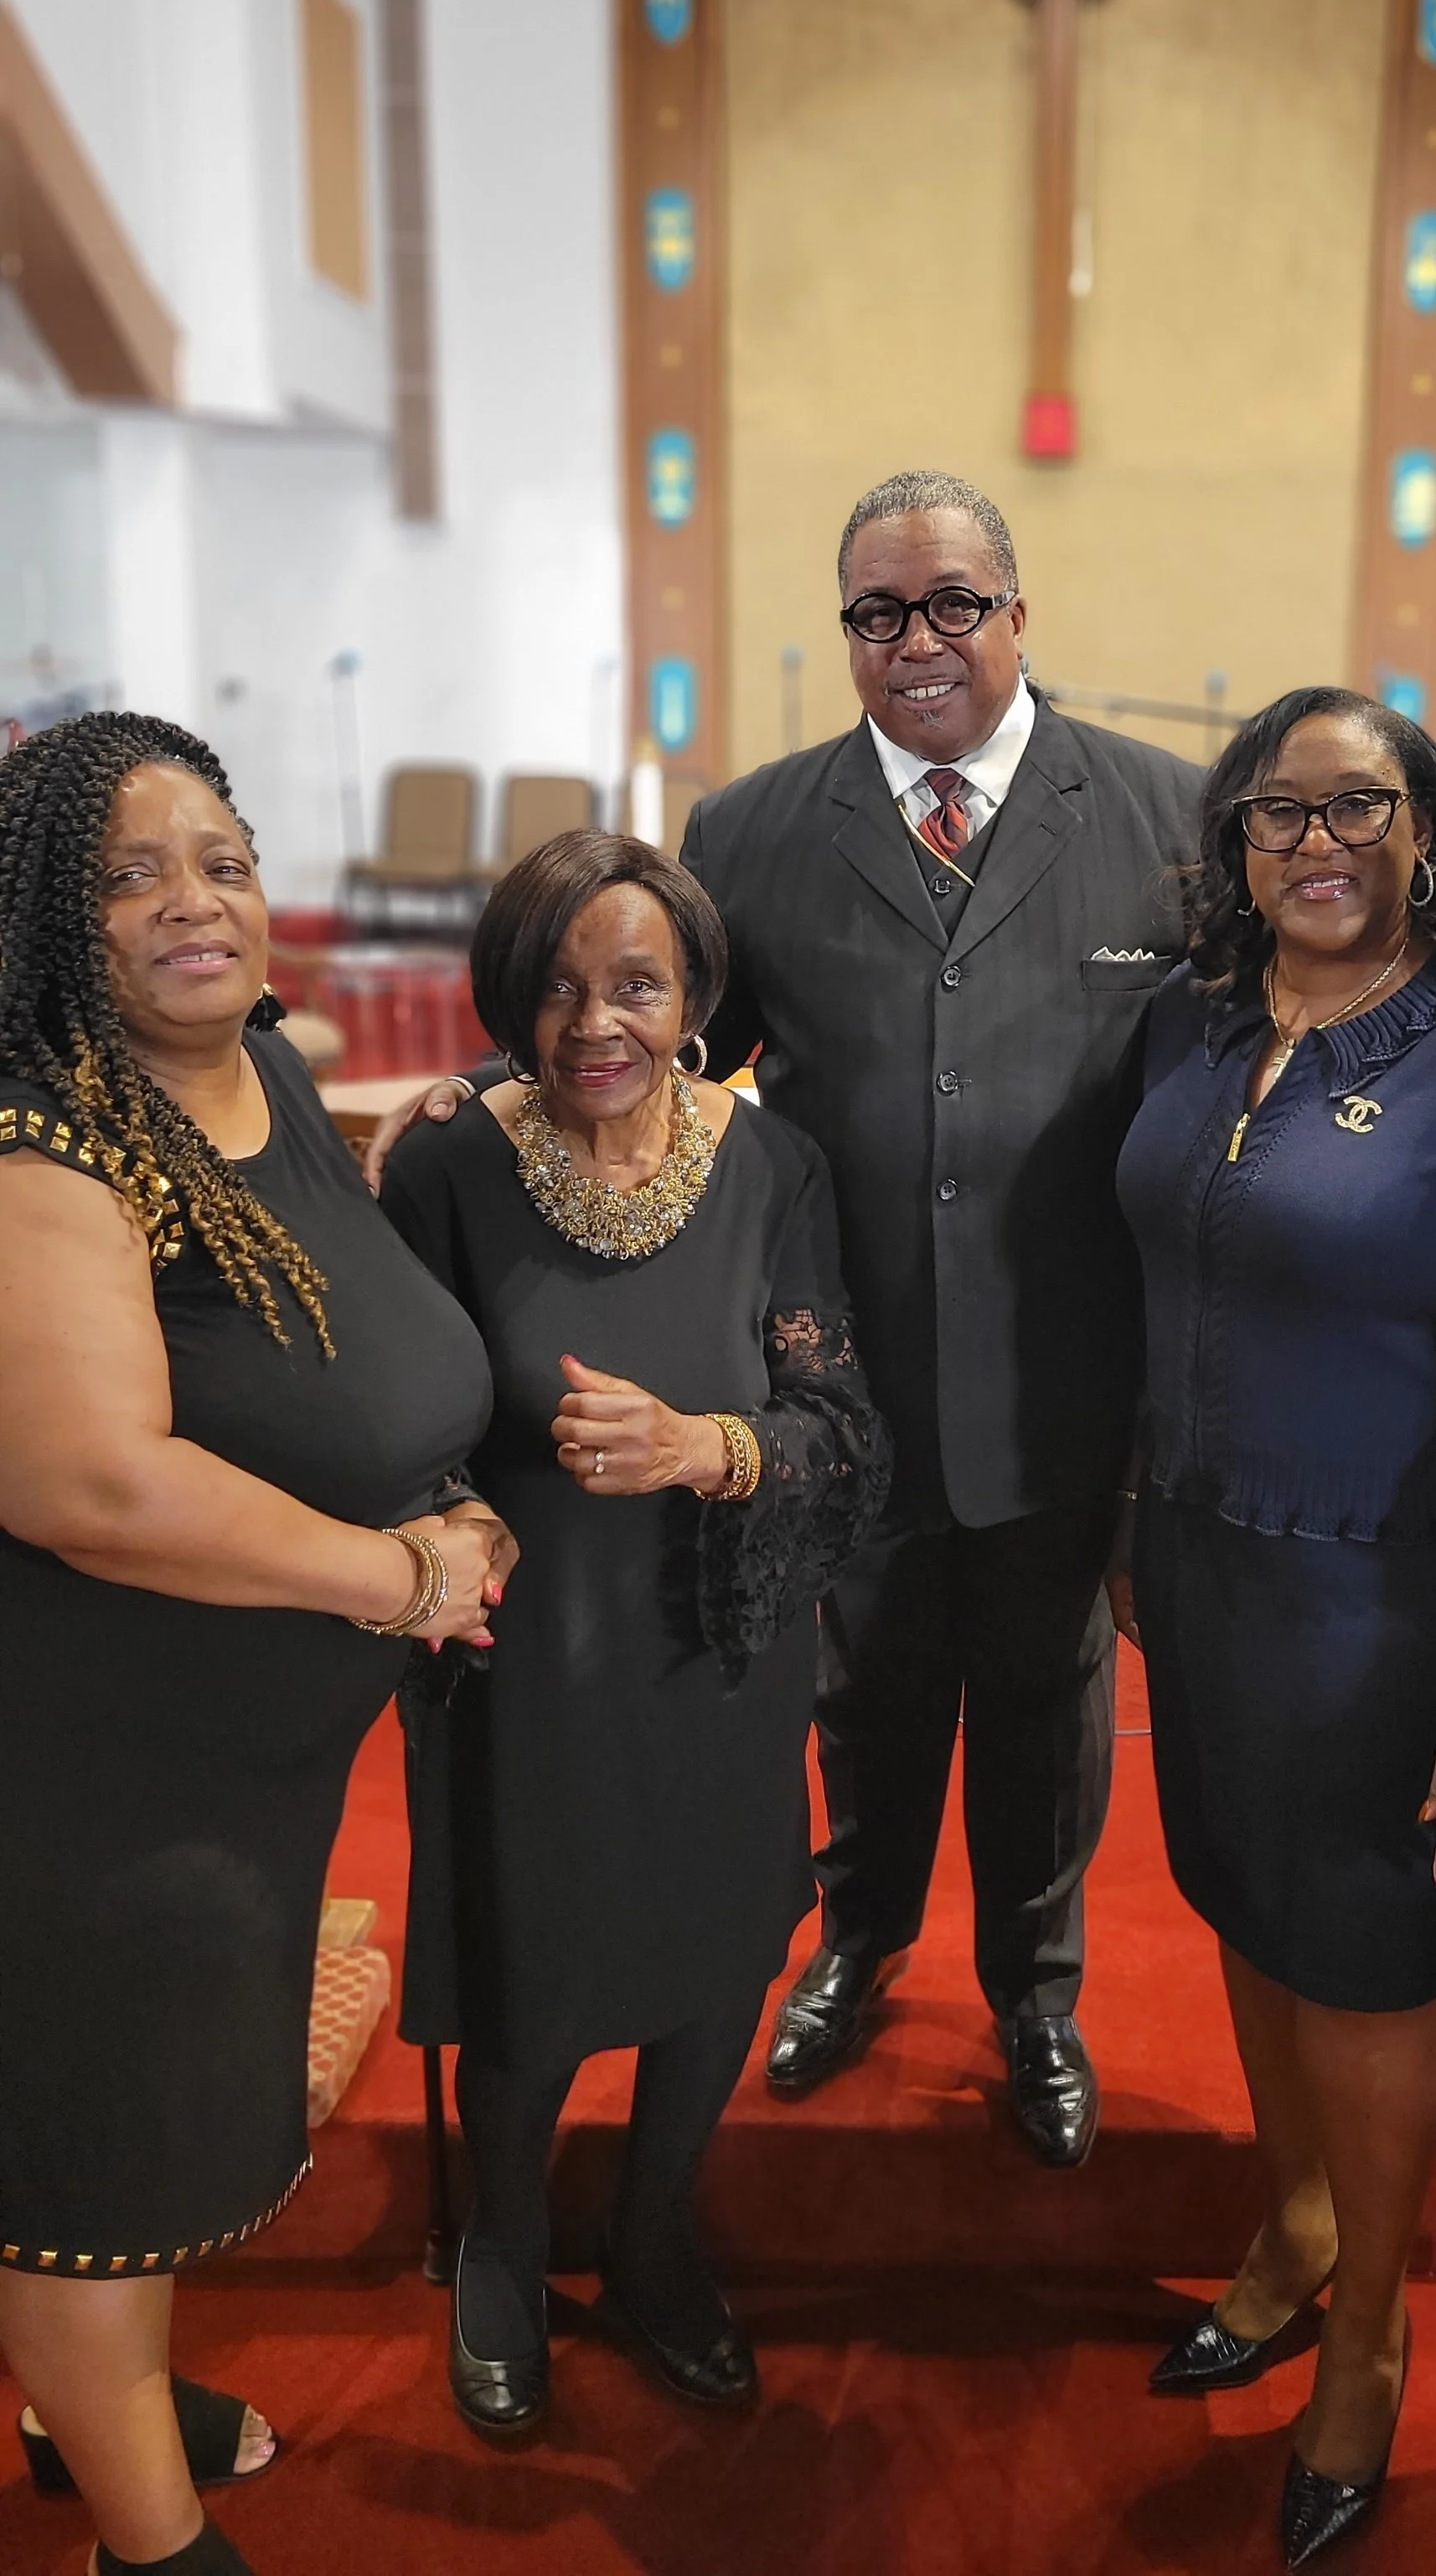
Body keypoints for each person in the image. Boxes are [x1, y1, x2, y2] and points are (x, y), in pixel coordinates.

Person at [369, 471, 1205, 2166]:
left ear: (1017, 613)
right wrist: (472, 1090)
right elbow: (641, 1037)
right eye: (879, 611)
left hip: (1063, 1380)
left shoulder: (1161, 819)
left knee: (1048, 1712)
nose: (918, 641)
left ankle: (1034, 1993)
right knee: (867, 1692)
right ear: (845, 632)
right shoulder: (751, 830)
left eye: (955, 602)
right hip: (839, 1375)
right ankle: (858, 1943)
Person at [0, 715, 507, 2576]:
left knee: (148, 2125)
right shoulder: (41, 1141)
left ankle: (84, 2408)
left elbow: (317, 1322)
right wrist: (401, 1576)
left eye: (216, 855)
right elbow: (98, 1490)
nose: (189, 900)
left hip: (242, 1759)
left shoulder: (261, 1077)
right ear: (48, 920)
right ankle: (145, 2536)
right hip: (95, 1769)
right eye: (124, 875)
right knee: (89, 2165)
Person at [1116, 687, 1436, 2567]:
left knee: (1369, 1962)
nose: (1313, 843)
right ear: (1233, 844)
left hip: (1386, 1606)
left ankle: (1370, 2334)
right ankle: (1291, 2227)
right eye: (1274, 812)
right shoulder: (1192, 1019)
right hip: (1200, 1575)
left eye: (1357, 805)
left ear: (1426, 828)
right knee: (1244, 1907)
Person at [379, 830, 890, 2437]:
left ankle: (657, 2234)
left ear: (696, 998)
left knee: (716, 1957)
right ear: (511, 1004)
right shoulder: (451, 1161)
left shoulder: (773, 1167)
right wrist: (454, 1508)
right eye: (558, 987)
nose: (598, 1021)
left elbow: (840, 1424)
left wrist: (699, 1448)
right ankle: (509, 2248)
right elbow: (391, 1413)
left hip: (712, 1648)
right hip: (521, 1657)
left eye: (639, 985)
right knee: (532, 1972)